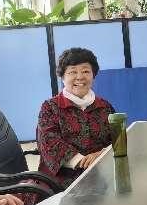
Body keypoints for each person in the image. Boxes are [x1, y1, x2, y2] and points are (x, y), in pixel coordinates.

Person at [37, 47, 116, 184]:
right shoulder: (50, 107)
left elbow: (117, 139)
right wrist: (83, 161)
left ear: (93, 75)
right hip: (62, 179)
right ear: (63, 77)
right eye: (72, 72)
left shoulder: (105, 106)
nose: (79, 77)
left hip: (101, 172)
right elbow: (49, 143)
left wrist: (102, 154)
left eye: (85, 71)